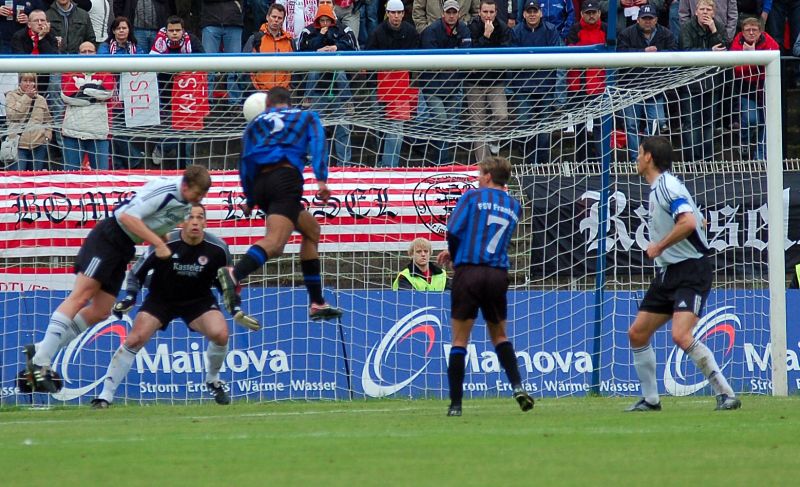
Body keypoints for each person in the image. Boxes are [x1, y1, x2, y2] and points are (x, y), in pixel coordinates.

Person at [24, 165, 212, 393]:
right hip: (109, 238)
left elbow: (156, 224)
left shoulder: (185, 205)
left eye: (203, 195)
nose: (199, 199)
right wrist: (159, 244)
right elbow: (127, 216)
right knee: (81, 296)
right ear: (186, 185)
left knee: (101, 310)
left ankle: (41, 349)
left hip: (124, 248)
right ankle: (41, 363)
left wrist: (163, 244)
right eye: (198, 193)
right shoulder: (166, 190)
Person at [91, 204, 258, 408]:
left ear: (205, 222)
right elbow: (136, 273)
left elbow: (227, 282)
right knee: (135, 339)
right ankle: (105, 395)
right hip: (161, 298)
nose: (195, 222)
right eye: (190, 217)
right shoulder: (164, 242)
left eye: (200, 217)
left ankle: (213, 380)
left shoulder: (218, 248)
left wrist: (235, 308)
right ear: (181, 222)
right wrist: (130, 297)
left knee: (221, 334)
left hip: (198, 300)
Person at [626, 135, 741, 412]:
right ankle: (651, 400)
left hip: (691, 270)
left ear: (649, 157)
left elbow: (688, 222)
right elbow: (696, 219)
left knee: (680, 334)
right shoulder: (662, 188)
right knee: (637, 333)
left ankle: (726, 394)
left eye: (639, 153)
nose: (636, 158)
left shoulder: (667, 186)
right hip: (669, 272)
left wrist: (659, 246)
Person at [217, 87, 344, 322]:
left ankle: (317, 302)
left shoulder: (254, 125)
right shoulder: (305, 116)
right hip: (285, 179)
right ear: (289, 102)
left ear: (267, 104)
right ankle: (235, 273)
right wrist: (321, 179)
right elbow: (318, 143)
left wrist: (250, 199)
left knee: (312, 230)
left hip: (261, 186)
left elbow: (244, 162)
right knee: (275, 244)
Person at [436, 156, 534, 417]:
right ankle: (517, 386)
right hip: (497, 274)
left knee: (460, 339)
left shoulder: (472, 197)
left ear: (488, 176)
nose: (478, 178)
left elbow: (454, 230)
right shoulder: (514, 205)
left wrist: (455, 255)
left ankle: (456, 405)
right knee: (500, 336)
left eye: (480, 173)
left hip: (469, 271)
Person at [297, 3, 357, 166]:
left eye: (327, 20)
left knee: (343, 130)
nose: (325, 23)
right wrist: (317, 49)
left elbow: (353, 48)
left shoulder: (344, 30)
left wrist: (336, 47)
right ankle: (313, 165)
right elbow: (300, 51)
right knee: (316, 130)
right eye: (322, 20)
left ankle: (345, 166)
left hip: (339, 92)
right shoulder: (308, 31)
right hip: (317, 91)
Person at [617, 4, 676, 161]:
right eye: (644, 18)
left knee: (658, 122)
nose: (647, 21)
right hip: (631, 87)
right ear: (638, 19)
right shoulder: (626, 33)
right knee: (631, 125)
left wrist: (658, 54)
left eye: (650, 18)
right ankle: (635, 160)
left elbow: (673, 53)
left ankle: (647, 156)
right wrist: (643, 53)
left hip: (655, 87)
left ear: (656, 19)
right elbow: (621, 54)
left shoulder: (666, 34)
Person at [365, 0, 420, 168]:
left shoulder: (410, 32)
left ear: (403, 14)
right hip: (380, 87)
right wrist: (373, 87)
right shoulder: (377, 32)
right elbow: (369, 61)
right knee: (380, 128)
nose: (396, 16)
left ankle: (390, 166)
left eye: (399, 13)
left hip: (402, 87)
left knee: (397, 129)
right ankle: (382, 163)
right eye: (393, 12)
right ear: (387, 13)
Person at [509, 1, 562, 165]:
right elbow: (511, 62)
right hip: (523, 87)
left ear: (541, 13)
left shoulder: (551, 30)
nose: (532, 14)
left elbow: (558, 59)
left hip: (546, 87)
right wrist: (511, 88)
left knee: (544, 128)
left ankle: (543, 164)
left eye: (535, 11)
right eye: (529, 11)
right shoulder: (516, 31)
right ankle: (528, 162)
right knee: (525, 125)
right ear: (524, 14)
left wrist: (559, 91)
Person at [419, 0, 470, 165]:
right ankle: (442, 162)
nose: (451, 15)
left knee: (450, 127)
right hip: (432, 87)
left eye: (454, 12)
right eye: (449, 12)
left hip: (453, 86)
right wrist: (453, 61)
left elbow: (466, 57)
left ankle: (438, 160)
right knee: (441, 121)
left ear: (459, 14)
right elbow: (433, 62)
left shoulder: (464, 29)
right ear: (443, 14)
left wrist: (450, 62)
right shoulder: (431, 31)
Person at [679, 0, 727, 162]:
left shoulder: (718, 27)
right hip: (691, 84)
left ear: (714, 12)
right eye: (702, 9)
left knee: (709, 122)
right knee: (691, 122)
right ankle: (692, 161)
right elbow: (686, 51)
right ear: (696, 11)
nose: (705, 12)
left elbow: (723, 48)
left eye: (708, 9)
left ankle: (707, 160)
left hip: (712, 82)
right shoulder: (686, 28)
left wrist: (714, 31)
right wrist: (709, 51)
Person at [99, 16, 147, 169]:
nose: (121, 31)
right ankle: (134, 159)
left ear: (129, 30)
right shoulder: (105, 47)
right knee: (116, 130)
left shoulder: (136, 47)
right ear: (113, 31)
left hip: (132, 95)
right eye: (118, 28)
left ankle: (120, 164)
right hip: (111, 94)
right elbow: (104, 63)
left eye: (124, 28)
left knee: (122, 131)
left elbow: (142, 64)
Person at [466, 0, 510, 162]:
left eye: (491, 12)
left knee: (502, 116)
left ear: (496, 12)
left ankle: (493, 139)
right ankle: (483, 166)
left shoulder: (503, 28)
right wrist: (485, 36)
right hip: (474, 82)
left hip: (495, 81)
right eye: (485, 12)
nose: (488, 15)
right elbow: (471, 54)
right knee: (478, 127)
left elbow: (505, 53)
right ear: (479, 12)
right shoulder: (471, 27)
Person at [730, 16, 779, 161]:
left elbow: (775, 56)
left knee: (767, 121)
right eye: (748, 30)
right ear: (742, 31)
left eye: (754, 30)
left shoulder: (767, 40)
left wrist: (751, 57)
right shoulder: (738, 41)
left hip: (766, 87)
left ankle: (760, 156)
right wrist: (757, 60)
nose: (751, 33)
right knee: (751, 119)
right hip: (746, 88)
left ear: (760, 31)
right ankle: (744, 143)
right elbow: (737, 68)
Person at [60, 41, 115, 170]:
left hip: (98, 132)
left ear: (96, 53)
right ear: (78, 54)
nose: (87, 54)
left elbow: (107, 93)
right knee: (70, 176)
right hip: (72, 132)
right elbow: (67, 96)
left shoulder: (105, 71)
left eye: (90, 51)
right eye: (83, 51)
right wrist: (94, 95)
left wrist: (82, 90)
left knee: (101, 176)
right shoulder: (69, 72)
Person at [566, 1, 607, 165]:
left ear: (599, 13)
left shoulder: (606, 29)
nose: (591, 16)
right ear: (582, 14)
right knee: (580, 127)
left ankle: (602, 162)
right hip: (578, 85)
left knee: (600, 125)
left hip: (600, 84)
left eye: (594, 12)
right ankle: (581, 162)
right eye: (588, 13)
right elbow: (571, 53)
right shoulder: (575, 29)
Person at [4, 73, 53, 171]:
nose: (28, 84)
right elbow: (13, 116)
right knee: (17, 177)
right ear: (20, 82)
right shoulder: (11, 96)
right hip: (18, 146)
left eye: (31, 81)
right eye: (25, 81)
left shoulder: (41, 99)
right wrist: (27, 97)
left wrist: (47, 137)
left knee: (35, 178)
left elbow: (48, 120)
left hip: (38, 146)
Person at [243, 2, 294, 94]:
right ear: (267, 17)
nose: (276, 20)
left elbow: (294, 70)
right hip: (259, 94)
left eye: (279, 18)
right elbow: (245, 68)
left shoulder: (289, 41)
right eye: (274, 17)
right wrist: (254, 89)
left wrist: (288, 88)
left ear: (283, 20)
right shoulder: (255, 39)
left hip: (282, 94)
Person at [413, 0, 479, 32]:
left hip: (462, 35)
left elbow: (476, 11)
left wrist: (469, 30)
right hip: (433, 35)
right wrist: (425, 31)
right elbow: (418, 11)